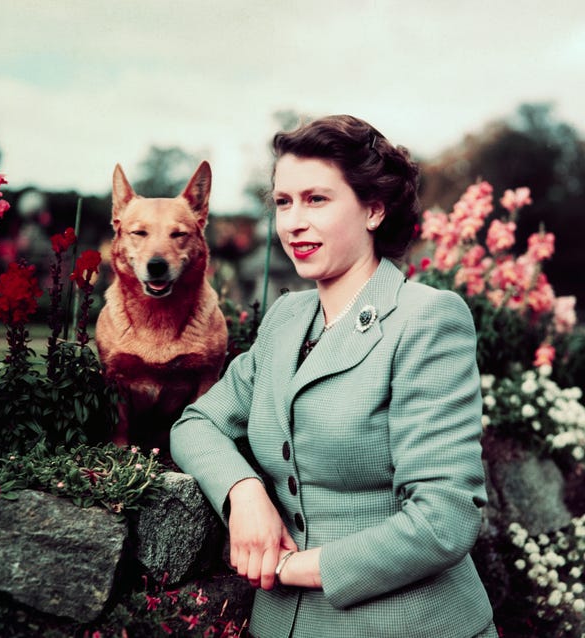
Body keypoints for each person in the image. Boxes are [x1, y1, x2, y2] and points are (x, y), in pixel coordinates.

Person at [170, 114, 497, 638]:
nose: (293, 222)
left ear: (372, 209)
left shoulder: (427, 318)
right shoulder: (285, 319)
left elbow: (445, 519)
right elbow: (195, 424)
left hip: (408, 625)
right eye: (283, 202)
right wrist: (244, 492)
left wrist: (291, 567)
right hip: (281, 626)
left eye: (316, 199)